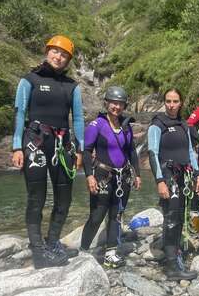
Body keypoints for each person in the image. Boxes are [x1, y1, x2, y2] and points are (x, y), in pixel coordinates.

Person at [11, 35, 84, 269]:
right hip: (35, 141)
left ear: (68, 60)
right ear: (47, 51)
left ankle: (53, 242)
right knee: (37, 198)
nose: (58, 56)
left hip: (62, 145)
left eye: (64, 54)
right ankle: (38, 252)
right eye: (55, 51)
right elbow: (20, 113)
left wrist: (80, 148)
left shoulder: (72, 86)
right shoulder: (30, 80)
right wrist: (16, 146)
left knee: (64, 198)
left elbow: (79, 118)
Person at [80, 86, 141, 268]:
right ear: (106, 103)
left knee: (117, 215)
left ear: (124, 105)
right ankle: (83, 250)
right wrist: (89, 176)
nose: (116, 106)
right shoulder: (96, 125)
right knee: (97, 216)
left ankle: (110, 253)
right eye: (113, 102)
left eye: (120, 103)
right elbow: (86, 151)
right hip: (102, 175)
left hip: (123, 177)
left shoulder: (126, 126)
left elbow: (131, 151)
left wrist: (137, 174)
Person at [148, 88, 199, 281]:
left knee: (179, 217)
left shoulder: (183, 124)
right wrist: (160, 181)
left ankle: (174, 254)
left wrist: (197, 175)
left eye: (175, 101)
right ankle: (171, 267)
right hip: (168, 176)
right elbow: (152, 153)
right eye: (168, 101)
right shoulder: (157, 124)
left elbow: (190, 151)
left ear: (181, 103)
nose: (171, 105)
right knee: (171, 218)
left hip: (183, 177)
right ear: (164, 102)